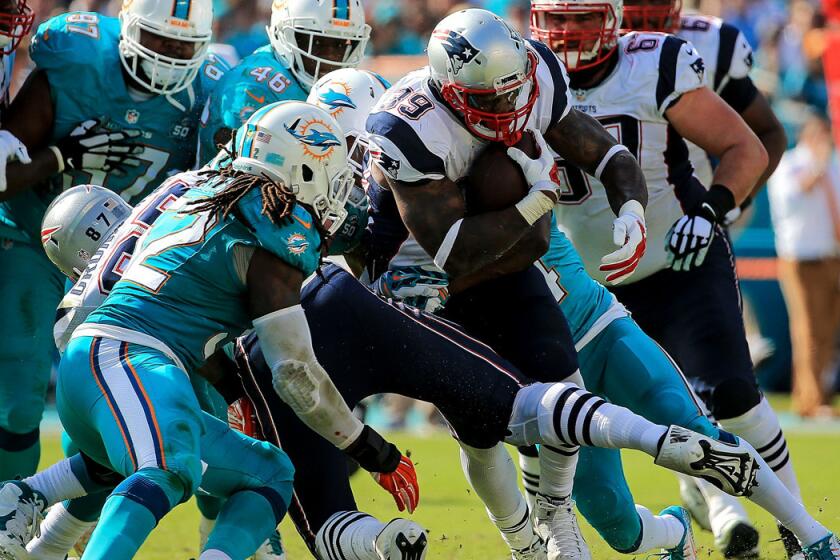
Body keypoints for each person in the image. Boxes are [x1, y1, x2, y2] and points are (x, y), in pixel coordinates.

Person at [0, 101, 421, 560]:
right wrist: (370, 447)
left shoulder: (206, 190)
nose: (339, 190)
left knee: (270, 473)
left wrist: (237, 393)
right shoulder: (273, 222)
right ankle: (24, 497)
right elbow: (296, 374)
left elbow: (192, 321)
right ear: (297, 169)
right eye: (330, 173)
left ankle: (33, 501)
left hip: (121, 364)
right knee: (165, 466)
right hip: (128, 357)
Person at [0, 0, 229, 483]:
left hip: (129, 263)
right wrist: (60, 156)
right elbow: (4, 171)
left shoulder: (211, 90)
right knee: (18, 403)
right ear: (127, 30)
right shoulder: (79, 58)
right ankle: (8, 511)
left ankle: (62, 526)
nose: (168, 56)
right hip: (31, 239)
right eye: (158, 40)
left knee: (108, 403)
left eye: (182, 45)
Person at [621, 1, 798, 554]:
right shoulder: (556, 63)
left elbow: (762, 134)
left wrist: (722, 204)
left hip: (691, 231)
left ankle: (792, 524)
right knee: (657, 399)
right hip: (603, 254)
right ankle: (711, 501)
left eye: (654, 13)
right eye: (632, 12)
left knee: (729, 391)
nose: (643, 26)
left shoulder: (707, 43)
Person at [198, 0, 371, 163]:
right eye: (317, 42)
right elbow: (252, 181)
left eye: (341, 45)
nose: (331, 56)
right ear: (283, 35)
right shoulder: (254, 89)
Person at [769, 113, 840, 419]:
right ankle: (809, 399)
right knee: (807, 328)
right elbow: (795, 196)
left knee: (827, 331)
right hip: (800, 257)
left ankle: (818, 395)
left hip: (830, 255)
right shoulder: (789, 164)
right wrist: (818, 166)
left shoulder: (834, 165)